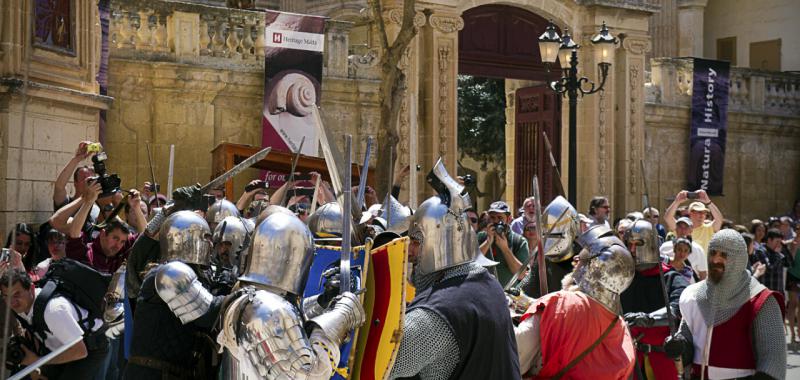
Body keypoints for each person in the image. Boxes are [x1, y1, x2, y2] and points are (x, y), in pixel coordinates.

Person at [389, 160, 520, 379]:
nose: (409, 251)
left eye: (415, 241)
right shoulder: (489, 285)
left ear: (438, 242)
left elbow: (380, 367)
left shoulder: (436, 314)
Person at [217, 210, 365, 378]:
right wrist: (339, 318)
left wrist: (323, 301)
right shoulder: (271, 310)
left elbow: (290, 322)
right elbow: (311, 374)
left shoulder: (247, 295)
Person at [515, 224, 636, 379]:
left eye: (580, 259)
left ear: (593, 267)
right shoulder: (621, 328)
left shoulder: (559, 303)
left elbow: (517, 352)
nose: (575, 262)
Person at [666, 229, 786, 379]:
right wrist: (679, 347)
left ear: (739, 259)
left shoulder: (760, 301)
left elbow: (773, 362)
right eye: (713, 253)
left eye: (724, 255)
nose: (716, 260)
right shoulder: (693, 296)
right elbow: (689, 346)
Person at [124, 211, 227, 379]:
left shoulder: (194, 277)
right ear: (185, 239)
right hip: (152, 375)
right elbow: (209, 314)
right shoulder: (170, 274)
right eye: (205, 237)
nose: (209, 243)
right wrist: (237, 297)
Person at [1, 269, 109, 379]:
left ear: (31, 289)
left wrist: (36, 361)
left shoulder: (53, 311)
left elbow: (80, 351)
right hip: (60, 346)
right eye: (6, 296)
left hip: (89, 348)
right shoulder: (22, 306)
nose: (12, 301)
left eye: (17, 294)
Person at [620, 220, 689, 380]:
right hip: (628, 357)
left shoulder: (671, 278)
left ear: (651, 245)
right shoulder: (623, 277)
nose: (632, 250)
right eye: (629, 244)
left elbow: (676, 309)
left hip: (662, 357)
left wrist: (649, 319)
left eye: (638, 243)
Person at [478, 201, 529, 285]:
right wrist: (487, 242)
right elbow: (471, 265)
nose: (496, 221)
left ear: (508, 219)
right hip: (484, 293)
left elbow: (521, 275)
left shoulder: (519, 241)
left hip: (508, 295)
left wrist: (505, 249)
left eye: (500, 218)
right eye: (492, 217)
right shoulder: (481, 237)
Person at [664, 190, 724, 254]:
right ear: (690, 213)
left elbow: (719, 219)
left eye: (704, 212)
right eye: (699, 212)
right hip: (684, 263)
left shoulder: (708, 228)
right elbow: (667, 218)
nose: (702, 215)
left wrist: (708, 202)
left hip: (702, 264)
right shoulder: (682, 228)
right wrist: (677, 201)